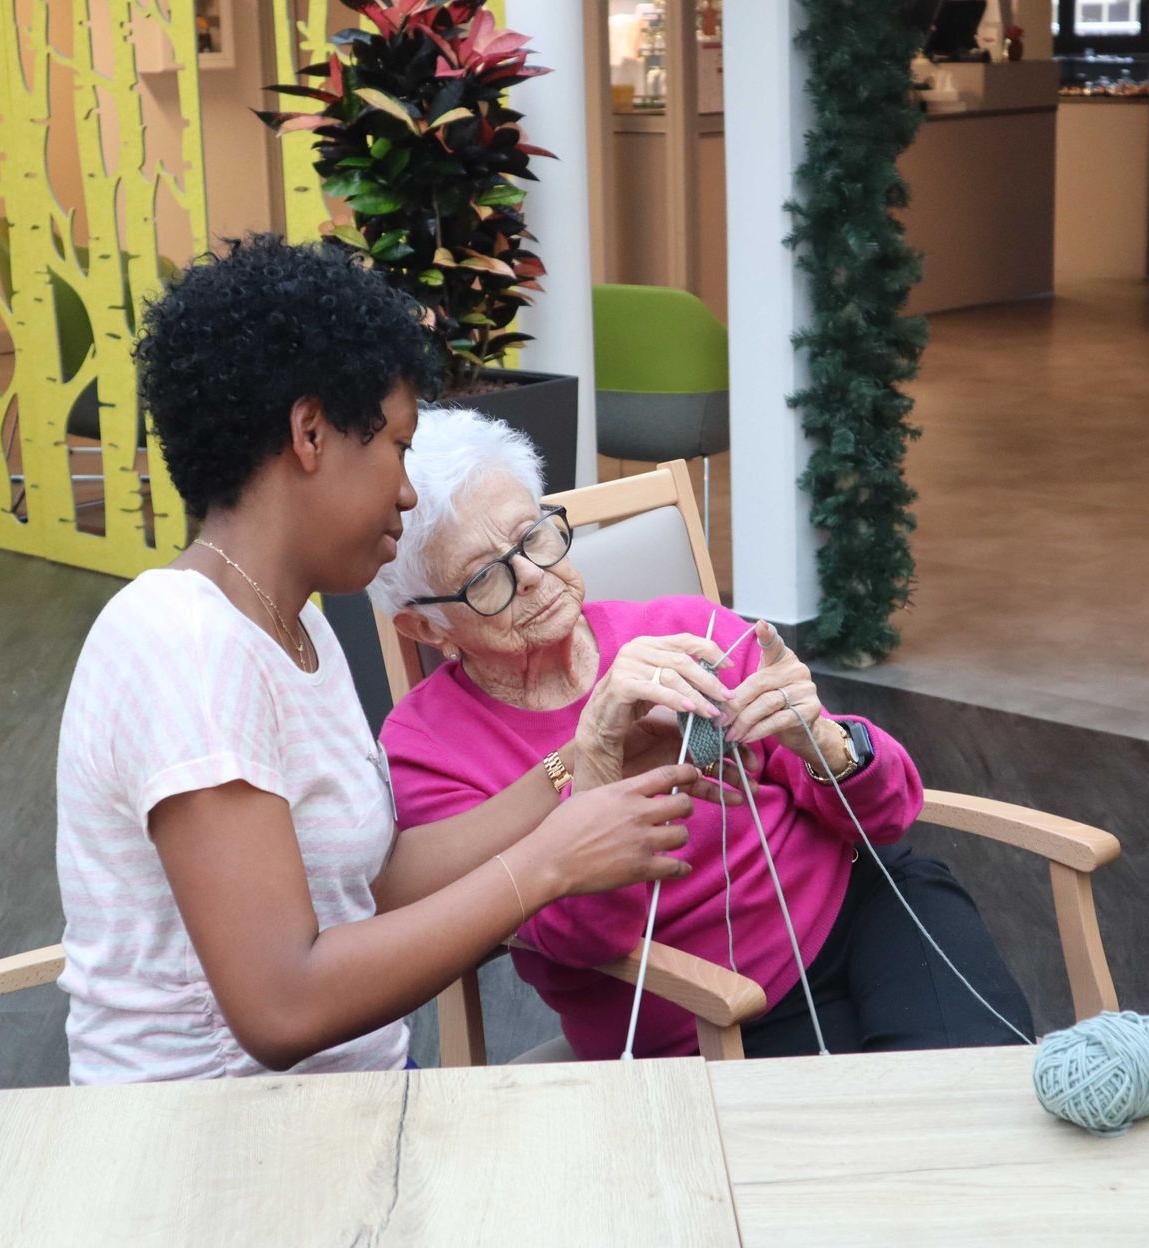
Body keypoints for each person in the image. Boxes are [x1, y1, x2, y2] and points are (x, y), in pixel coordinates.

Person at [55, 236, 707, 1084]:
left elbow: (376, 883)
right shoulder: (186, 647)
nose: (406, 489)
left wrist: (574, 766)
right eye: (397, 446)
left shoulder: (295, 626)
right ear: (310, 433)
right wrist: (551, 865)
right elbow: (282, 1008)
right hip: (217, 1155)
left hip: (343, 1110)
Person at [371, 408, 1034, 1059]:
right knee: (898, 1140)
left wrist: (829, 747)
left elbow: (888, 815)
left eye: (535, 536)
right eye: (486, 576)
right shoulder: (429, 751)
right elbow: (585, 943)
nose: (536, 576)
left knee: (983, 1098)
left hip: (871, 908)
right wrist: (594, 756)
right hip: (710, 1015)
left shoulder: (684, 626)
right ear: (427, 627)